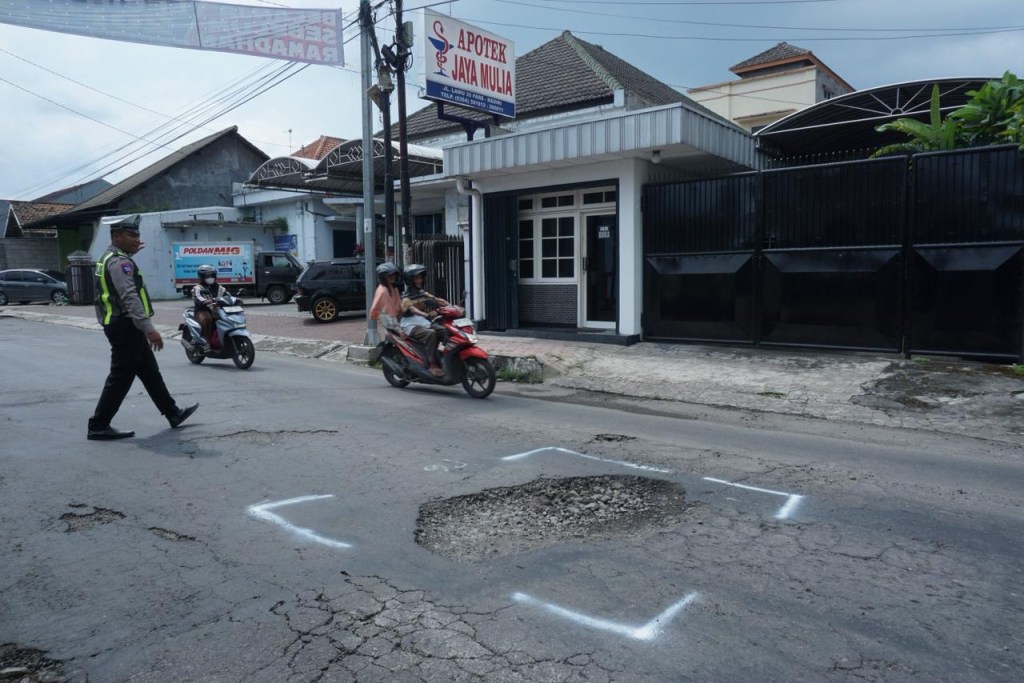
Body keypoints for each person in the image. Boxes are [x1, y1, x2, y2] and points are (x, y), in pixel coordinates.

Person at [87, 215, 198, 440]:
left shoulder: (109, 257)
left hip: (120, 324)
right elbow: (129, 296)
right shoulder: (120, 262)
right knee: (121, 376)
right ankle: (98, 425)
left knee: (149, 371)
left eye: (138, 235)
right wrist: (149, 329)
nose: (137, 239)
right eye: (131, 235)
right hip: (126, 326)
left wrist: (130, 254)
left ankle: (172, 413)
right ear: (116, 236)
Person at [400, 263, 449, 377]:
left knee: (444, 330)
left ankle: (447, 357)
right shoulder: (406, 297)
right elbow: (413, 310)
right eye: (417, 278)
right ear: (410, 280)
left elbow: (437, 300)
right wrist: (426, 314)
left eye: (421, 277)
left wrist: (450, 306)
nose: (420, 280)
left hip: (423, 322)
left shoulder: (422, 293)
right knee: (431, 334)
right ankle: (433, 364)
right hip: (410, 324)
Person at [191, 264, 228, 347]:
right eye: (207, 276)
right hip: (202, 310)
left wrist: (236, 300)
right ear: (202, 277)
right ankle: (207, 342)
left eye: (212, 275)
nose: (210, 277)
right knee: (207, 320)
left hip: (218, 310)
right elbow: (198, 299)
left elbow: (227, 296)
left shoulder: (220, 288)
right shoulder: (198, 288)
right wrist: (206, 302)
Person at [369, 262, 402, 326]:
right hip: (389, 321)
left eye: (394, 275)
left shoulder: (393, 289)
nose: (393, 277)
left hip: (394, 320)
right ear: (383, 277)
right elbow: (388, 311)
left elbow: (399, 308)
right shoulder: (383, 291)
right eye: (390, 275)